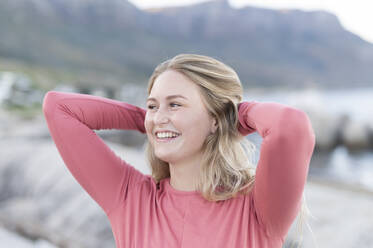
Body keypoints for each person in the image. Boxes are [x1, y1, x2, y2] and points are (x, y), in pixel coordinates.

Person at [42, 54, 316, 248]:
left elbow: (290, 126)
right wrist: (150, 122)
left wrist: (233, 117)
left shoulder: (260, 210)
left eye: (175, 105)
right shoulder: (131, 199)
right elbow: (58, 107)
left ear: (216, 119)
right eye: (153, 105)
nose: (159, 115)